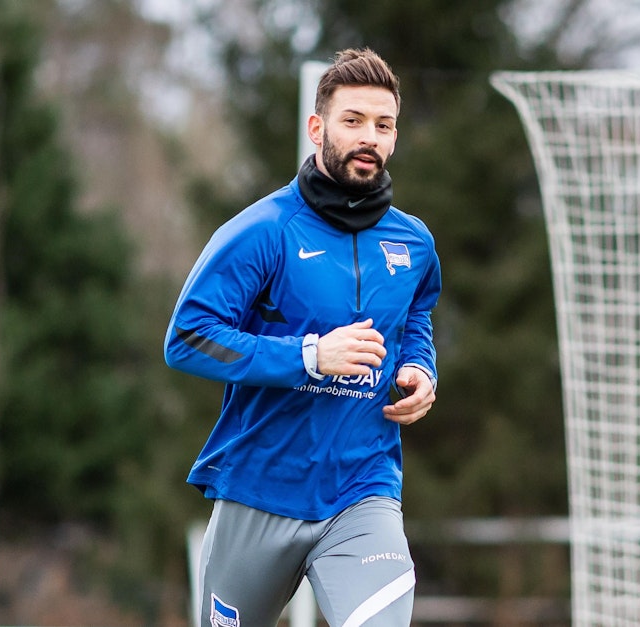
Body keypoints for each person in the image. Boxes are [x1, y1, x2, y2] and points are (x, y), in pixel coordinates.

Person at [164, 48, 438, 627]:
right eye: (353, 120)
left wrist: (419, 368)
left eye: (383, 125)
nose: (370, 137)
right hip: (260, 490)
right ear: (317, 128)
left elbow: (416, 318)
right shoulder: (263, 231)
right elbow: (188, 338)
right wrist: (310, 356)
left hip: (363, 488)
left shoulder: (413, 243)